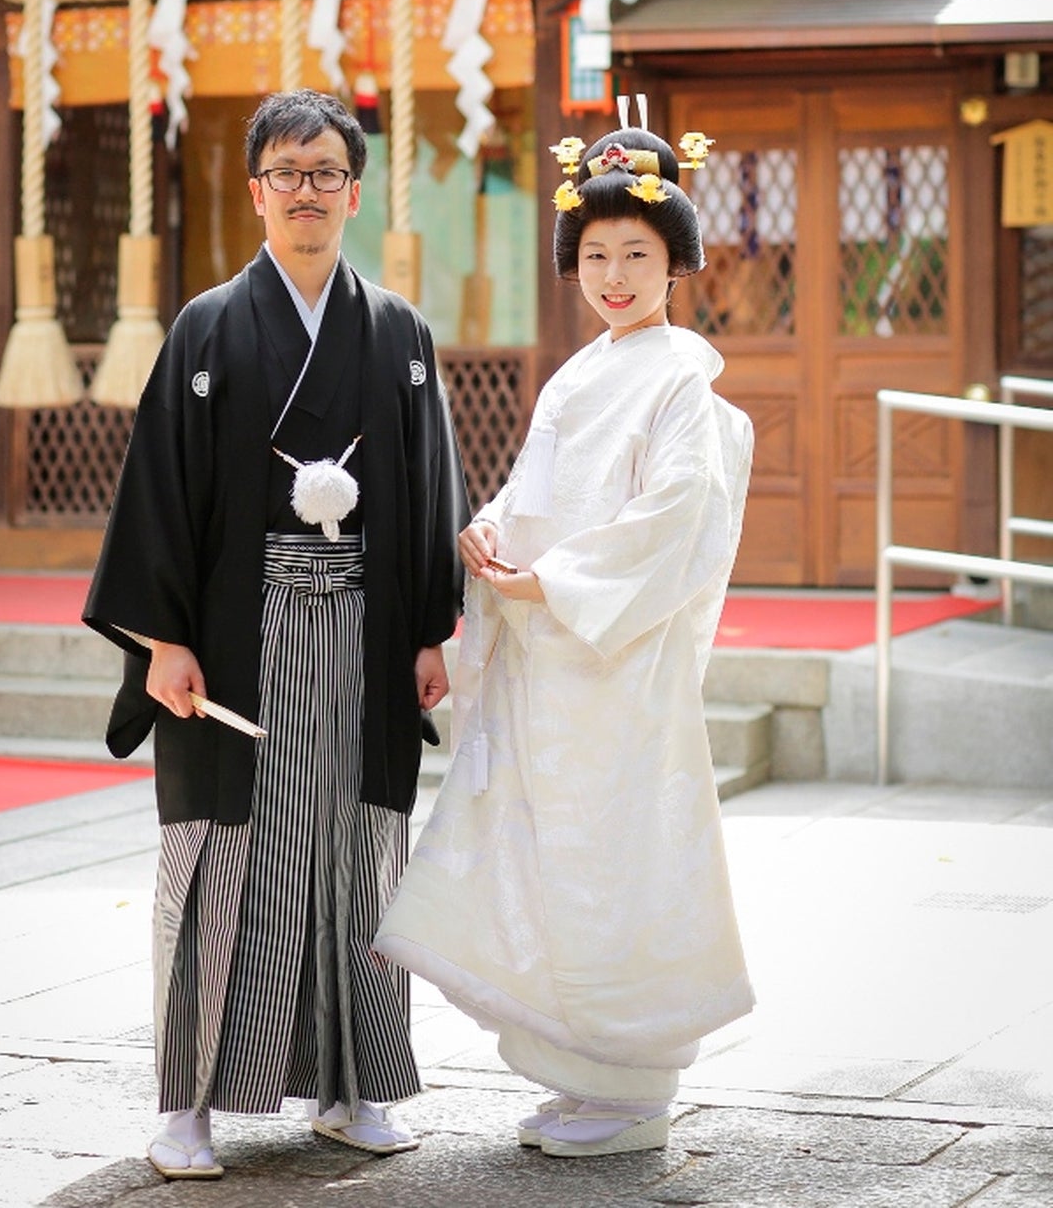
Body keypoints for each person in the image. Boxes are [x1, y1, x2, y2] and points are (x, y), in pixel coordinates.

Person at [83, 88, 468, 1180]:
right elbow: (157, 487)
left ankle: (355, 1088)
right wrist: (160, 636)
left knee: (357, 853)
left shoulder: (397, 331)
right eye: (288, 172)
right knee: (220, 859)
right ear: (257, 191)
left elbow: (432, 483)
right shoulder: (207, 325)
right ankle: (188, 1104)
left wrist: (432, 628)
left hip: (360, 627)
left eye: (327, 172)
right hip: (234, 632)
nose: (308, 190)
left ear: (355, 192)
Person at [376, 113, 754, 1159]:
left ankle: (635, 1087)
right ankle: (582, 1069)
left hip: (619, 665)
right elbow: (536, 490)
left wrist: (558, 580)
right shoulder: (582, 372)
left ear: (675, 258)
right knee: (554, 855)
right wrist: (495, 533)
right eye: (597, 256)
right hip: (554, 658)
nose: (617, 275)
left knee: (620, 855)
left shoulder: (681, 375)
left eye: (638, 253)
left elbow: (672, 515)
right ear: (573, 264)